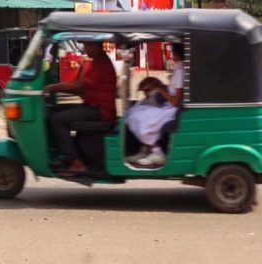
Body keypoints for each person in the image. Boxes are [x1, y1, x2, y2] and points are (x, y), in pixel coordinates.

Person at [43, 40, 117, 175]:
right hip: (94, 106)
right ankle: (62, 154)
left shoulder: (100, 63)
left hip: (101, 111)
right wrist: (57, 88)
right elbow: (82, 88)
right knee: (56, 110)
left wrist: (52, 88)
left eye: (87, 45)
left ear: (95, 45)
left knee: (57, 119)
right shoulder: (96, 61)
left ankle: (76, 162)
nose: (85, 48)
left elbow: (80, 86)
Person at [124, 44, 185, 167]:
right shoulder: (178, 69)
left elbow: (174, 101)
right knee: (135, 109)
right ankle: (145, 149)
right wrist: (159, 86)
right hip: (167, 105)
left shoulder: (180, 72)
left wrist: (159, 89)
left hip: (171, 109)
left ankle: (157, 152)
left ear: (176, 55)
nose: (170, 56)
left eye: (172, 53)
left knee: (139, 116)